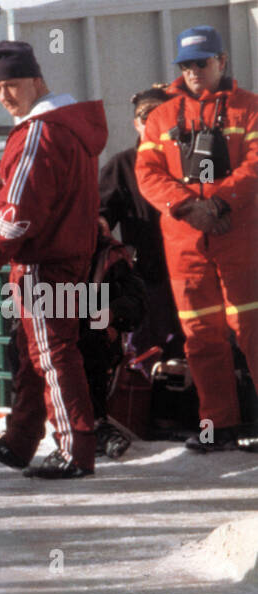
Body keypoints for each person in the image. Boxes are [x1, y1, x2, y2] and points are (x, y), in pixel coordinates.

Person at [0, 41, 107, 479]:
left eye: (12, 85)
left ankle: (75, 450)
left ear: (38, 82)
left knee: (51, 353)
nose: (5, 95)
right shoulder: (70, 128)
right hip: (68, 257)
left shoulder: (37, 132)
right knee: (35, 353)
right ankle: (21, 439)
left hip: (43, 263)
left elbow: (18, 209)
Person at [135, 25, 258, 453]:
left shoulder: (251, 110)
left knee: (252, 329)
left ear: (222, 62)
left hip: (240, 239)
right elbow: (148, 175)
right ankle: (216, 427)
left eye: (201, 63)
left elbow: (256, 167)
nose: (193, 72)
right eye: (186, 65)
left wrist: (220, 204)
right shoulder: (161, 119)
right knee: (201, 336)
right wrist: (191, 207)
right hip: (187, 243)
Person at [99, 87, 184, 359]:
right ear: (135, 124)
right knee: (146, 358)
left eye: (161, 114)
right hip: (148, 280)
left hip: (191, 276)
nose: (151, 121)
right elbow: (101, 213)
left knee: (200, 351)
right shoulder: (122, 165)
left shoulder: (194, 161)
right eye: (144, 116)